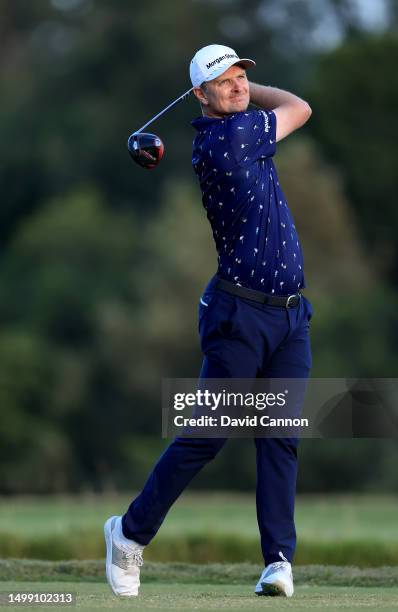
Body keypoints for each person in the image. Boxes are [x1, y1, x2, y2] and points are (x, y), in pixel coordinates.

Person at [104, 43, 313, 598]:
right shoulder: (229, 139)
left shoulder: (241, 121)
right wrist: (250, 95)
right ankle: (128, 534)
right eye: (224, 81)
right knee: (206, 436)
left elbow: (280, 104)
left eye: (242, 74)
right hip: (240, 315)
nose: (240, 85)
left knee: (281, 438)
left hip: (291, 316)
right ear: (199, 95)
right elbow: (301, 106)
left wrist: (239, 82)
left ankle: (278, 562)